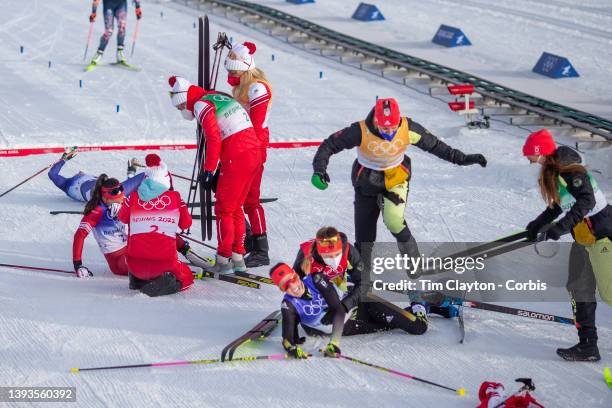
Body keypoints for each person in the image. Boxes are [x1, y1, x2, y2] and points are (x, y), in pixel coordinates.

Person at [311, 98, 487, 277]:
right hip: (366, 181)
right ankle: (361, 276)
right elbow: (330, 144)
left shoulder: (407, 127)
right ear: (376, 121)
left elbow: (435, 145)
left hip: (397, 179)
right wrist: (319, 170)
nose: (389, 132)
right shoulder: (360, 130)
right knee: (365, 235)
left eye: (392, 127)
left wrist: (463, 159)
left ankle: (415, 265)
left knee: (394, 220)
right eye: (384, 128)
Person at [522, 128, 611, 362]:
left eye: (529, 154)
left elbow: (587, 201)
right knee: (579, 287)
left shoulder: (570, 170)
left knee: (610, 292)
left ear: (540, 152)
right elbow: (559, 206)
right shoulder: (555, 171)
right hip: (584, 238)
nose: (527, 159)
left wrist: (558, 229)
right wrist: (537, 225)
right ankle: (588, 346)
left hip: (603, 234)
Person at [168, 75, 265, 274]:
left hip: (237, 157)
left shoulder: (200, 105)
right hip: (254, 153)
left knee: (223, 210)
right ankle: (238, 257)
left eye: (179, 107)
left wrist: (209, 169)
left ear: (184, 101)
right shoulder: (214, 97)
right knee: (235, 207)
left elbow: (213, 138)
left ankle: (223, 259)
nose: (181, 112)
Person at [269, 262, 428, 359]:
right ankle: (434, 309)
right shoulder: (288, 305)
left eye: (292, 280)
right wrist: (291, 350)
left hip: (364, 305)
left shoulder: (316, 280)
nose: (292, 287)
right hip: (351, 327)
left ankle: (418, 302)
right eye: (284, 286)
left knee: (419, 327)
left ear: (296, 275)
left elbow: (338, 309)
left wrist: (334, 343)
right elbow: (287, 340)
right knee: (393, 324)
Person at [117, 154, 195, 296]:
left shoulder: (133, 196)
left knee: (135, 236)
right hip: (165, 264)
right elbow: (186, 223)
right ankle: (167, 283)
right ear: (165, 180)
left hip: (135, 265)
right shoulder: (175, 197)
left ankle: (138, 279)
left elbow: (122, 218)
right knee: (188, 276)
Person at [224, 41, 273, 267]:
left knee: (251, 200)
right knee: (236, 196)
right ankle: (250, 236)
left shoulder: (257, 88)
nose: (230, 75)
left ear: (244, 68)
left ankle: (261, 247)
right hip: (243, 145)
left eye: (233, 71)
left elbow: (256, 122)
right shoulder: (243, 87)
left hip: (254, 146)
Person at [72, 174, 129, 278]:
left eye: (122, 196)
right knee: (138, 261)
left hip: (132, 248)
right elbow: (79, 236)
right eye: (117, 199)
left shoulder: (123, 201)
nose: (122, 200)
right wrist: (78, 265)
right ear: (105, 198)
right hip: (118, 261)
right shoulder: (96, 212)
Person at [48, 147, 144, 202]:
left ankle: (134, 173)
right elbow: (52, 174)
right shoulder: (66, 185)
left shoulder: (92, 178)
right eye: (80, 173)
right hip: (97, 195)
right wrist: (63, 159)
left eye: (81, 173)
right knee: (122, 194)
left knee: (124, 190)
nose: (80, 172)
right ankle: (132, 172)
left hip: (105, 191)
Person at [87, 0, 142, 67]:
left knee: (122, 28)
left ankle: (120, 53)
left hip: (121, 5)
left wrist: (138, 7)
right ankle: (99, 54)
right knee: (109, 31)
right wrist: (94, 11)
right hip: (108, 6)